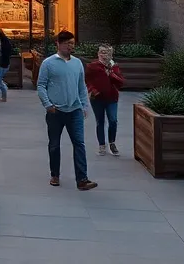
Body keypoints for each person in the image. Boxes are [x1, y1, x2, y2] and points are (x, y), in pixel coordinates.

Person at [37, 30, 97, 191]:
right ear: (58, 44)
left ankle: (82, 179)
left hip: (75, 110)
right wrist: (48, 105)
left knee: (79, 143)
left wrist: (84, 105)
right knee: (54, 144)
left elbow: (81, 86)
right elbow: (41, 85)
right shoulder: (48, 63)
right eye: (67, 44)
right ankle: (55, 175)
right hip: (56, 111)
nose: (70, 46)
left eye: (72, 43)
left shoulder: (77, 63)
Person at [84, 44, 125, 157]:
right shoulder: (92, 66)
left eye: (106, 53)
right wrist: (93, 90)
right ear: (98, 54)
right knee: (100, 121)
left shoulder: (114, 67)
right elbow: (87, 80)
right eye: (101, 52)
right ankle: (102, 145)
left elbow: (121, 83)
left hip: (112, 98)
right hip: (97, 99)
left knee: (113, 120)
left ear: (110, 55)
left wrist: (111, 74)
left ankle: (112, 143)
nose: (103, 55)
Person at [0, 28, 13, 103]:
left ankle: (4, 94)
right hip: (3, 63)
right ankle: (4, 89)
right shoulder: (5, 41)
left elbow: (1, 51)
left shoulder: (2, 42)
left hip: (2, 63)